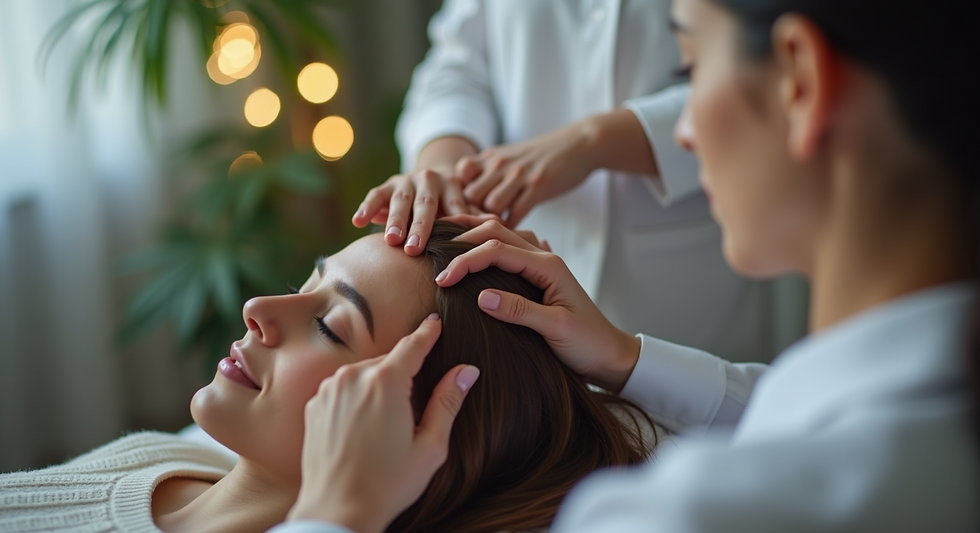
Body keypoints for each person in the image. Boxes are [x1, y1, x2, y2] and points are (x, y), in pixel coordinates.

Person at [271, 0, 980, 531]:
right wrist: (624, 357)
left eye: (690, 66)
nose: (688, 129)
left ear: (799, 79)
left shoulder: (668, 515)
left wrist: (334, 513)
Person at [0, 222, 658, 533]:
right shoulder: (161, 460)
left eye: (331, 325)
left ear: (419, 432)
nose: (258, 309)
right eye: (301, 285)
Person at [353, 0, 783, 363]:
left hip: (686, 290)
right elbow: (460, 62)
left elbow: (770, 72)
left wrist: (597, 140)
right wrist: (443, 166)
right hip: (516, 278)